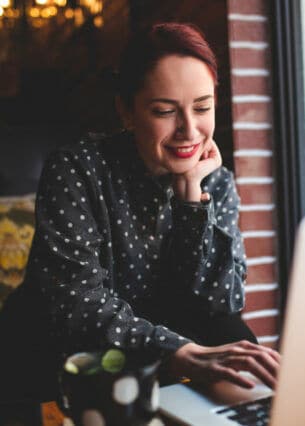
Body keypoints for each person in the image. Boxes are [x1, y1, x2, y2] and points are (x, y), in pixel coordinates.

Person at [0, 22, 280, 402]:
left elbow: (220, 307)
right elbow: (76, 305)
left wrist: (191, 202)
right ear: (126, 111)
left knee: (237, 341)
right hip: (60, 349)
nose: (189, 131)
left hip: (158, 339)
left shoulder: (215, 180)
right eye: (165, 111)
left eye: (202, 107)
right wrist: (177, 352)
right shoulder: (77, 169)